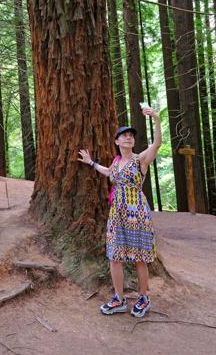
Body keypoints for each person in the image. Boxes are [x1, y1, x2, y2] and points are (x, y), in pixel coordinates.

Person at [78, 106, 161, 318]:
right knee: (115, 257)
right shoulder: (116, 163)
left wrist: (157, 119)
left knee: (139, 258)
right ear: (117, 141)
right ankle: (119, 298)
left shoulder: (140, 159)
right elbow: (108, 172)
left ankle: (144, 298)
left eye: (131, 136)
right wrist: (91, 163)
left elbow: (157, 144)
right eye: (124, 135)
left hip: (137, 214)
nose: (128, 138)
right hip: (117, 215)